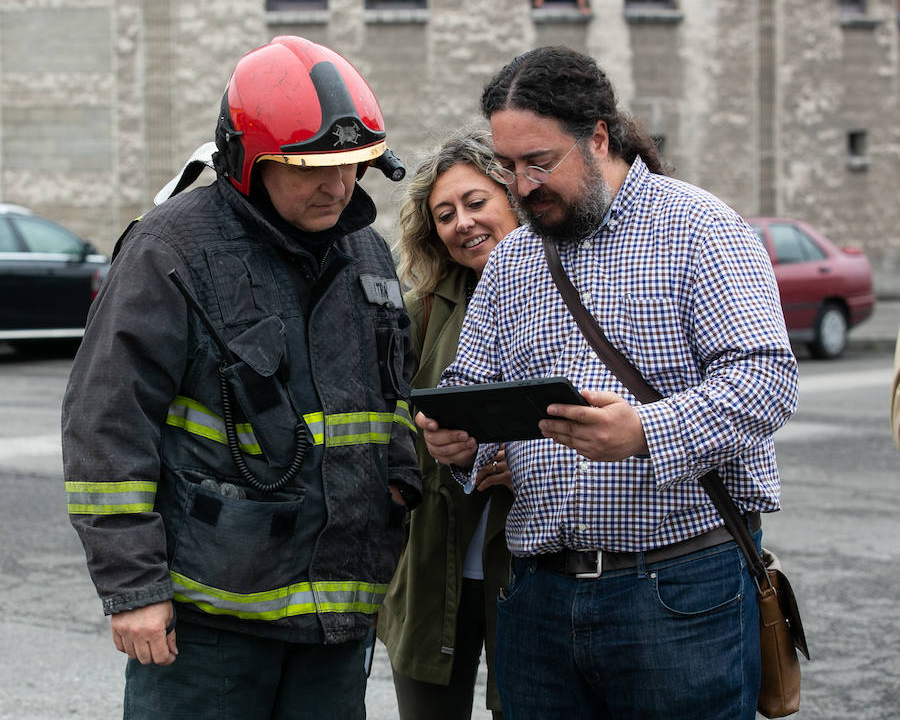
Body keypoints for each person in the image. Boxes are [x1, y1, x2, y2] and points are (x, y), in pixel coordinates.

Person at [416, 46, 799, 719]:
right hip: (537, 597)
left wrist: (645, 432)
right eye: (509, 167)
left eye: (540, 162)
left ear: (598, 136)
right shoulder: (512, 262)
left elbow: (765, 379)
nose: (523, 185)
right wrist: (458, 443)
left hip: (681, 590)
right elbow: (469, 381)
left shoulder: (700, 229)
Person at [62, 35, 422, 720]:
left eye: (353, 166)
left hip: (336, 619)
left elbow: (390, 397)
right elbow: (106, 423)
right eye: (312, 167)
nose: (339, 186)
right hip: (209, 627)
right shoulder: (170, 250)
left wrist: (399, 487)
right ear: (247, 164)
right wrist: (134, 586)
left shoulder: (368, 253)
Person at [377, 130, 519, 720]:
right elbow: (381, 418)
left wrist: (534, 460)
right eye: (445, 213)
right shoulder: (423, 308)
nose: (462, 222)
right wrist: (420, 440)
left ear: (515, 195)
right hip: (436, 559)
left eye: (476, 202)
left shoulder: (572, 293)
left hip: (531, 564)